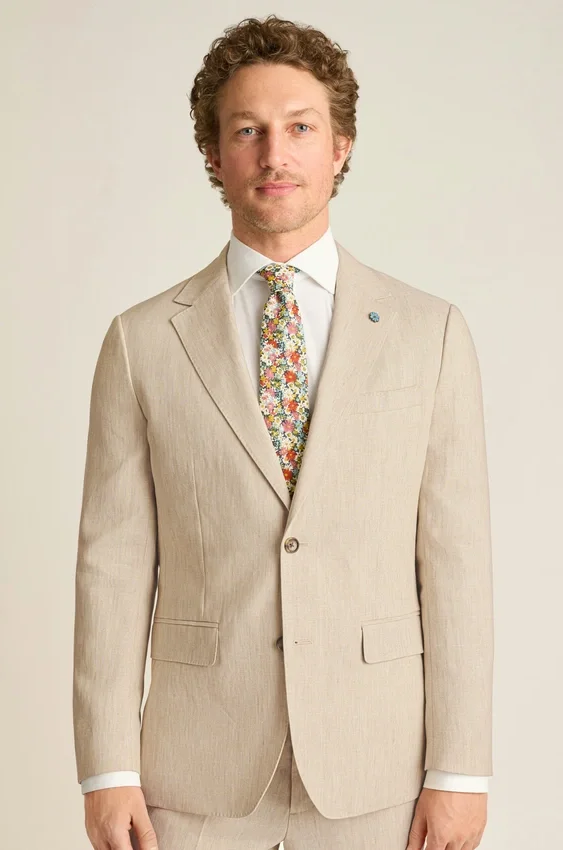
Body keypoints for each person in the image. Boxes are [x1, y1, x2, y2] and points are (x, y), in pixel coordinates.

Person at [72, 14, 494, 850]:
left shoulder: (429, 332)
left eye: (300, 128)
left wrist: (460, 773)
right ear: (213, 154)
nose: (275, 154)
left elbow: (456, 565)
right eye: (247, 131)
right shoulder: (140, 341)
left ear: (339, 147)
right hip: (193, 773)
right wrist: (106, 770)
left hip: (379, 768)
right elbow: (111, 568)